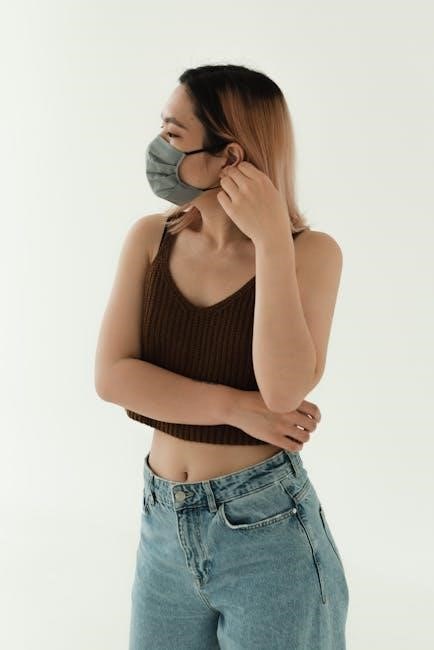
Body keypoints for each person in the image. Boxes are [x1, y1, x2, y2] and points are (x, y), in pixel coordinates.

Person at [95, 63, 348, 649]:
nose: (158, 148)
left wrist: (270, 243)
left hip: (268, 532)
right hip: (162, 524)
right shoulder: (150, 239)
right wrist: (236, 409)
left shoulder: (312, 254)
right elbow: (113, 377)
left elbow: (282, 391)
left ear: (229, 156)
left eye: (173, 134)